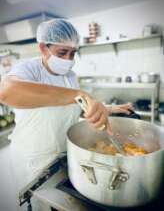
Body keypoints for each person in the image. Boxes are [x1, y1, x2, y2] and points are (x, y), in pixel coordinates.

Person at [0, 19, 132, 211]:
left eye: (72, 53)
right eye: (62, 52)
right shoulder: (28, 69)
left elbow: (71, 106)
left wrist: (105, 108)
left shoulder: (69, 76)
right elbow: (7, 92)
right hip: (32, 158)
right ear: (44, 48)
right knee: (37, 206)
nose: (68, 59)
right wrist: (80, 94)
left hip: (62, 153)